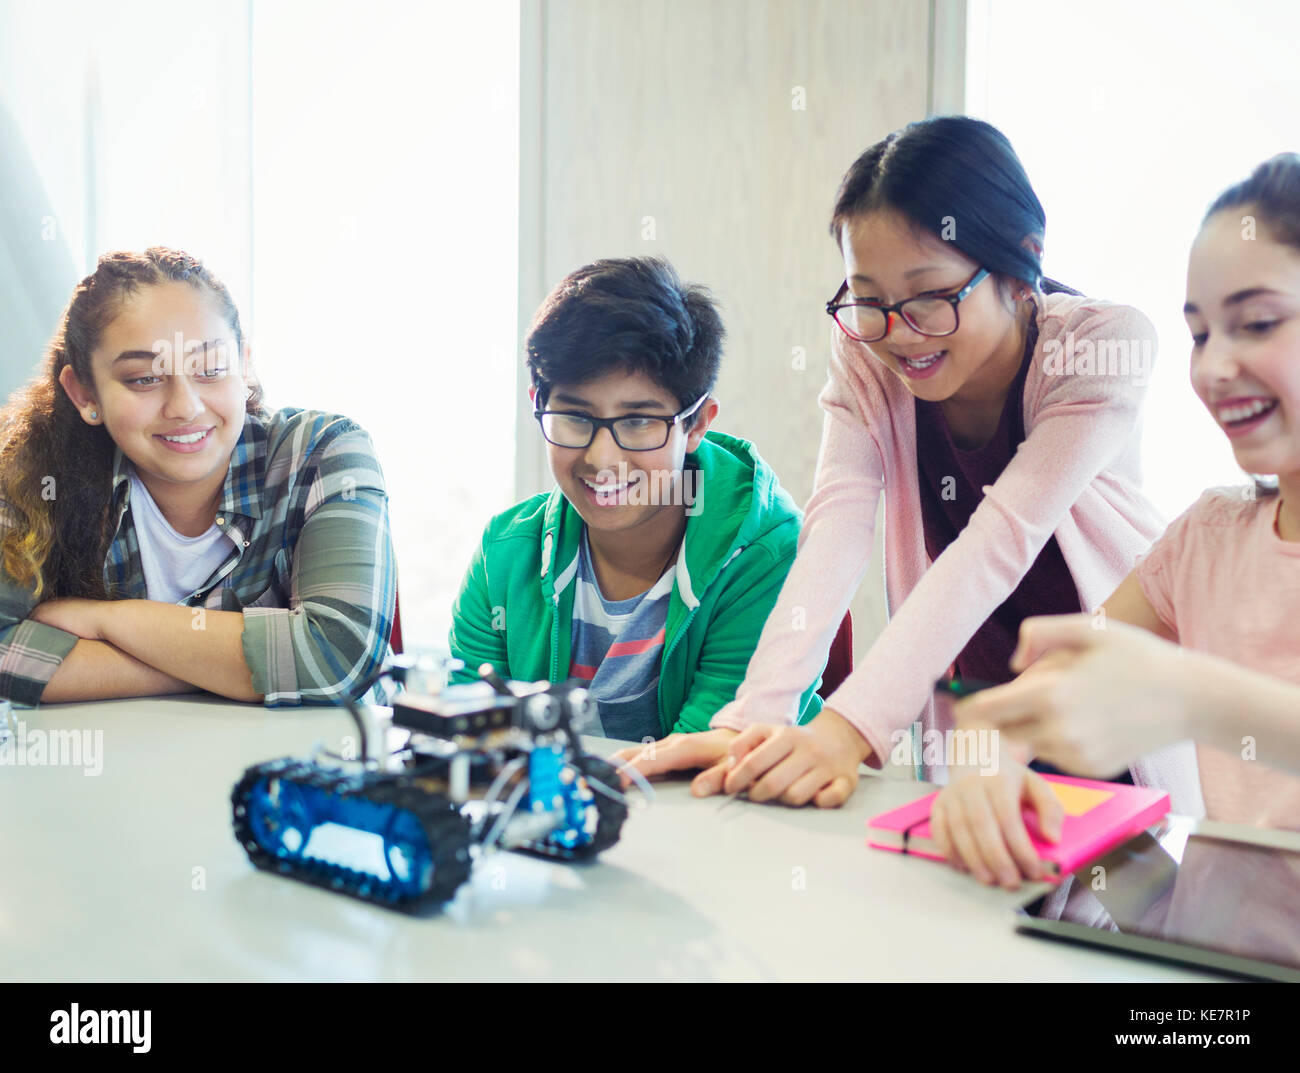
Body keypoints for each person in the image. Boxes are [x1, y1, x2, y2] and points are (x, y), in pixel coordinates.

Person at [617, 115, 1201, 824]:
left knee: (1118, 908)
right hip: (980, 707)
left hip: (1102, 693)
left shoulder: (1102, 346)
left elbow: (1000, 538)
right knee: (978, 908)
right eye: (868, 299)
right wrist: (751, 719)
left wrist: (852, 727)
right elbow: (835, 527)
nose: (897, 332)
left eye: (928, 298)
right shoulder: (866, 354)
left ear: (1021, 264)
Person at [946, 155, 1300, 884]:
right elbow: (1022, 702)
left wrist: (1189, 696)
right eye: (1201, 335)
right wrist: (983, 749)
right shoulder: (1208, 538)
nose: (1213, 369)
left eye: (1256, 323)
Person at [0, 247, 395, 707]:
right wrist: (224, 665)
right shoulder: (34, 476)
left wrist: (108, 622)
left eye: (210, 370)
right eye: (145, 379)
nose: (185, 406)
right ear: (84, 393)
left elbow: (337, 658)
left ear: (243, 366)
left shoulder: (323, 451)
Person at [448, 256, 822, 741]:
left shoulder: (765, 556)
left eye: (639, 421)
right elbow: (468, 741)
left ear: (697, 424)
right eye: (576, 417)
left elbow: (706, 764)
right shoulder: (505, 553)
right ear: (538, 405)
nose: (602, 458)